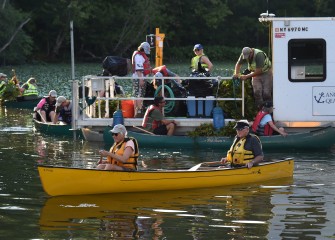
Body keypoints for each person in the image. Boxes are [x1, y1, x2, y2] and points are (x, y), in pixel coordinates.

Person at [132, 42, 152, 117]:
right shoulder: (138, 56)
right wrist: (141, 79)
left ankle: (138, 111)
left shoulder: (141, 56)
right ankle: (138, 112)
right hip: (139, 78)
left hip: (141, 78)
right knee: (138, 94)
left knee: (140, 94)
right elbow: (138, 70)